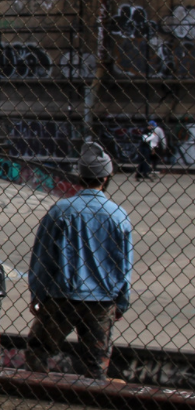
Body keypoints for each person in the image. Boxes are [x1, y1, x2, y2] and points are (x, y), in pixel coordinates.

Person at [26, 141, 133, 381]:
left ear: (79, 177)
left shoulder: (60, 211)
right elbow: (124, 265)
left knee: (38, 350)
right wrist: (121, 302)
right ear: (105, 178)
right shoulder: (118, 215)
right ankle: (93, 397)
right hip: (101, 299)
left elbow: (42, 259)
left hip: (61, 296)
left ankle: (37, 390)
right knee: (96, 361)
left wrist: (37, 295)